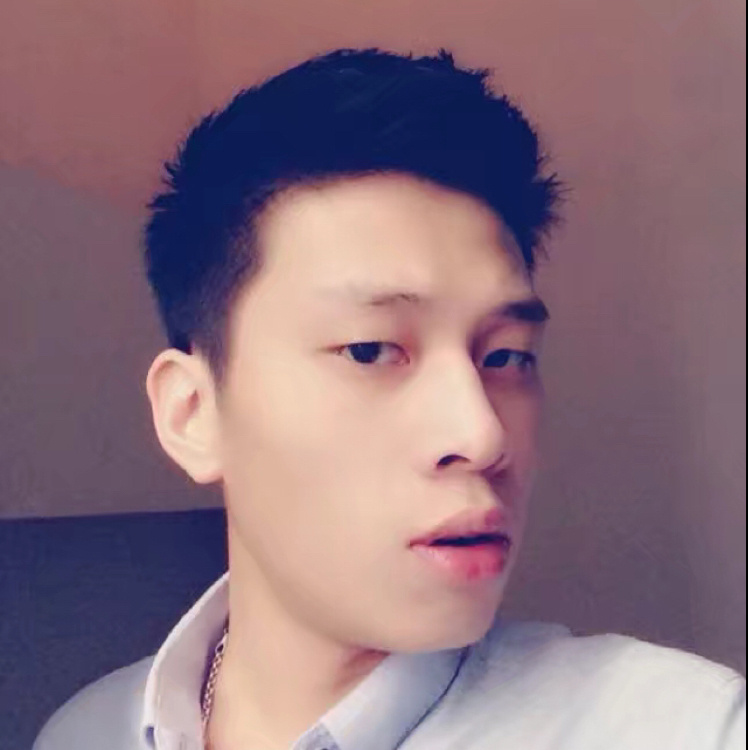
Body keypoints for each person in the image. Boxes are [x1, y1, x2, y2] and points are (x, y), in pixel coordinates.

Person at [33, 47, 745, 750]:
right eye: (371, 350)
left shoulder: (689, 731)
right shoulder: (88, 732)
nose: (482, 433)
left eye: (506, 356)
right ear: (192, 414)